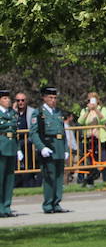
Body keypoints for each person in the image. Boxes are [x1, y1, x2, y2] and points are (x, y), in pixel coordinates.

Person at [31, 86, 70, 214]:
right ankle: (48, 204)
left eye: (55, 98)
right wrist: (41, 147)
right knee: (49, 177)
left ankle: (56, 203)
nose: (53, 100)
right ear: (44, 98)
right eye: (50, 97)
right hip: (48, 146)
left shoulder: (58, 112)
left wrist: (65, 149)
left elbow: (62, 132)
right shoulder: (39, 113)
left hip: (58, 147)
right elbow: (34, 133)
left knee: (59, 177)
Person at [76, 91, 106, 185]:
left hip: (100, 138)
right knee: (89, 161)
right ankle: (89, 182)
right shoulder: (84, 110)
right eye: (89, 99)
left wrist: (96, 110)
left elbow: (104, 120)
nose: (91, 101)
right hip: (88, 138)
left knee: (104, 160)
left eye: (93, 99)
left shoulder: (102, 109)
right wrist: (88, 111)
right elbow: (80, 121)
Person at [0, 90, 21, 217]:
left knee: (9, 179)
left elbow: (14, 132)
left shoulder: (13, 114)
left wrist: (18, 148)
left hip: (11, 147)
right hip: (1, 147)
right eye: (5, 98)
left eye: (8, 98)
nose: (8, 101)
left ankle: (7, 206)